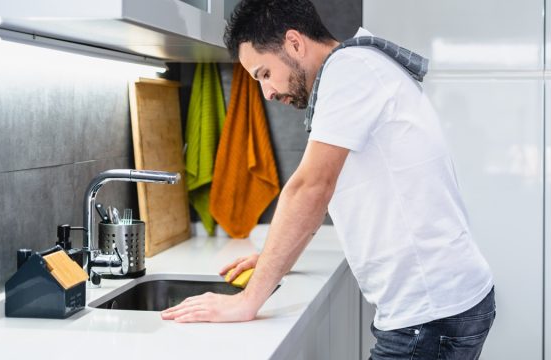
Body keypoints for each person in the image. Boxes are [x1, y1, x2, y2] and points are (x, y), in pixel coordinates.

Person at [161, 0, 496, 358]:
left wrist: (246, 301)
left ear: (294, 43)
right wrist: (274, 255)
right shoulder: (357, 67)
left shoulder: (349, 70)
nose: (267, 92)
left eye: (263, 74)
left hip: (431, 315)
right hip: (438, 307)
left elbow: (310, 188)